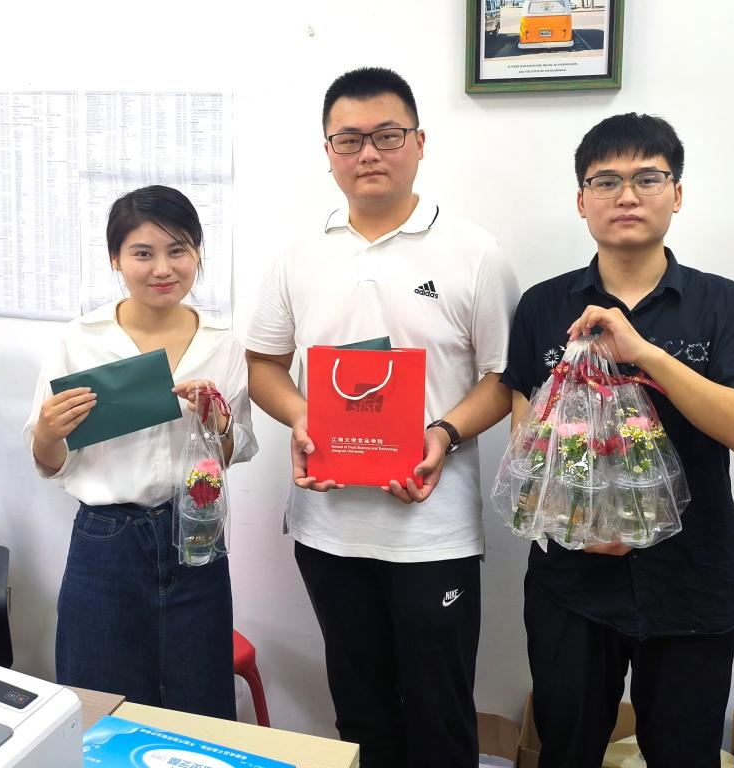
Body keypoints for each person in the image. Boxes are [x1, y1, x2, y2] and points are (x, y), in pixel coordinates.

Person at [244, 67, 519, 767]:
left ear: (419, 143)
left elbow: (504, 379)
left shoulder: (474, 253)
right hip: (328, 529)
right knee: (361, 712)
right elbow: (264, 364)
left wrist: (443, 432)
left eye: (387, 136)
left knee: (439, 715)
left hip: (433, 532)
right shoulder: (298, 254)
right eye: (349, 139)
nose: (368, 153)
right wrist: (303, 418)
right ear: (328, 152)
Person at [500, 113, 734, 768]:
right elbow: (526, 439)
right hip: (572, 581)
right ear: (582, 200)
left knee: (683, 755)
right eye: (606, 181)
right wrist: (575, 524)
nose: (627, 195)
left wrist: (645, 352)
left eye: (647, 178)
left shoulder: (725, 305)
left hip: (695, 580)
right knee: (566, 751)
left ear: (676, 194)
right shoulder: (543, 305)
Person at [23, 185, 257, 719]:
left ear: (198, 253)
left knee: (200, 707)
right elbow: (50, 462)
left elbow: (234, 448)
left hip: (196, 531)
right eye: (143, 253)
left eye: (178, 250)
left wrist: (220, 423)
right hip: (107, 540)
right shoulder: (80, 340)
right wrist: (48, 433)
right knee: (101, 707)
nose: (162, 269)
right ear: (115, 259)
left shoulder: (222, 342)